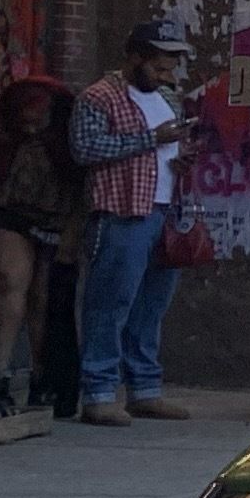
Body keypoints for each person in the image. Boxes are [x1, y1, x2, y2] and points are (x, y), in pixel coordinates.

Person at [67, 22, 195, 425]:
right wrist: (150, 140)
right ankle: (100, 392)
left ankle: (145, 389)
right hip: (121, 212)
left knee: (151, 306)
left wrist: (181, 156)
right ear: (135, 58)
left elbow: (168, 147)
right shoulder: (99, 97)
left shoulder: (169, 100)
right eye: (158, 68)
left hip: (165, 211)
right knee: (109, 304)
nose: (166, 77)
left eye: (171, 69)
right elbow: (84, 148)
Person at [0, 76, 76, 407]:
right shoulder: (6, 139)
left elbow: (82, 189)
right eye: (25, 121)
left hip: (54, 220)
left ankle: (39, 373)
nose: (30, 129)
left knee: (41, 299)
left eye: (37, 122)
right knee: (11, 284)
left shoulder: (68, 143)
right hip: (13, 214)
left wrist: (72, 235)